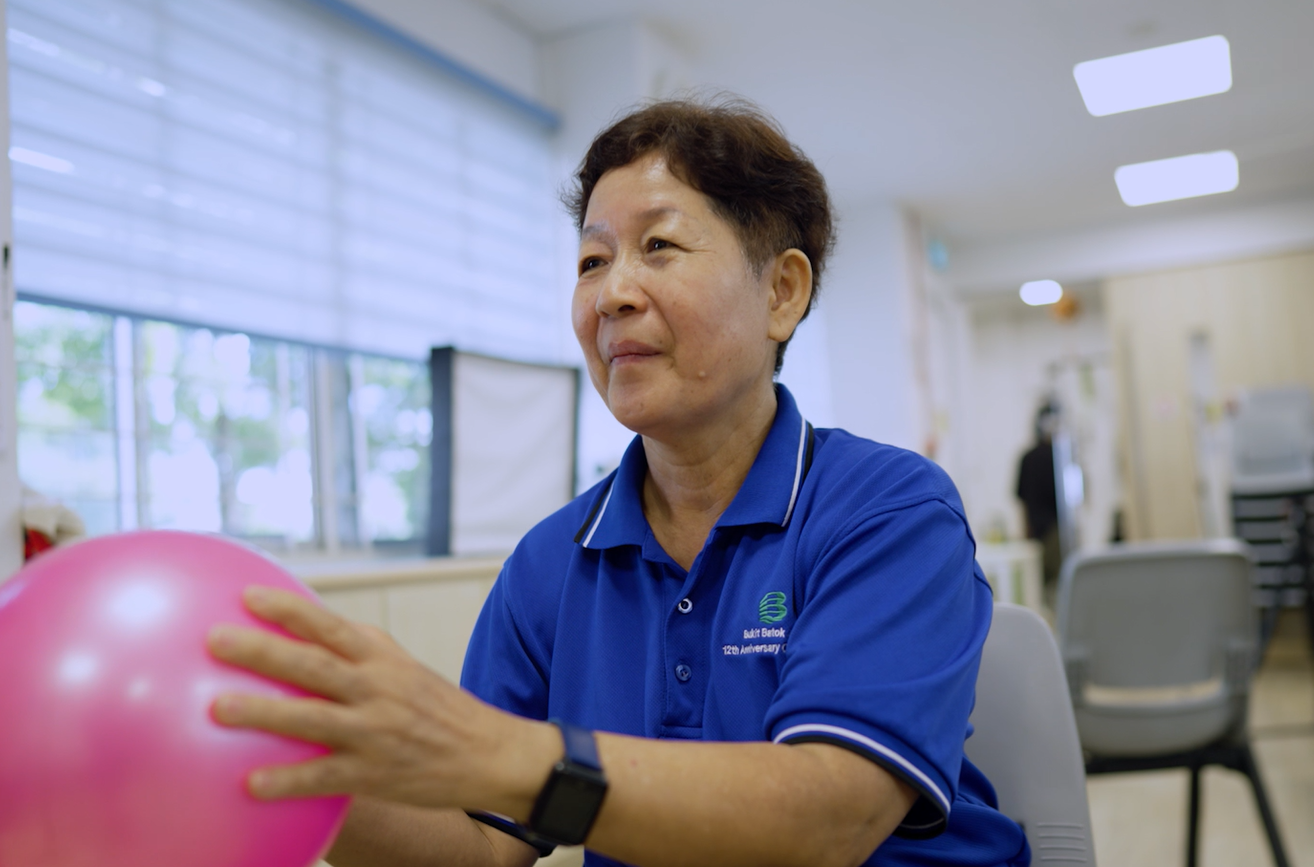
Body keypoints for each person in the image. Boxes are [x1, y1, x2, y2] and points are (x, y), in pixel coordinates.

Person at [207, 98, 1030, 867]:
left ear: (782, 292)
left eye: (659, 246)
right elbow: (485, 844)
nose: (612, 294)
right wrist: (292, 770)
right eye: (592, 260)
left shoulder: (889, 509)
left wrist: (487, 747)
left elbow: (829, 817)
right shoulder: (548, 563)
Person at [1015, 402, 1062, 588]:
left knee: (1038, 587)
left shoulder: (1029, 458)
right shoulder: (1060, 458)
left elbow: (1022, 502)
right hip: (1055, 534)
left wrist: (1026, 535)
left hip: (1037, 533)